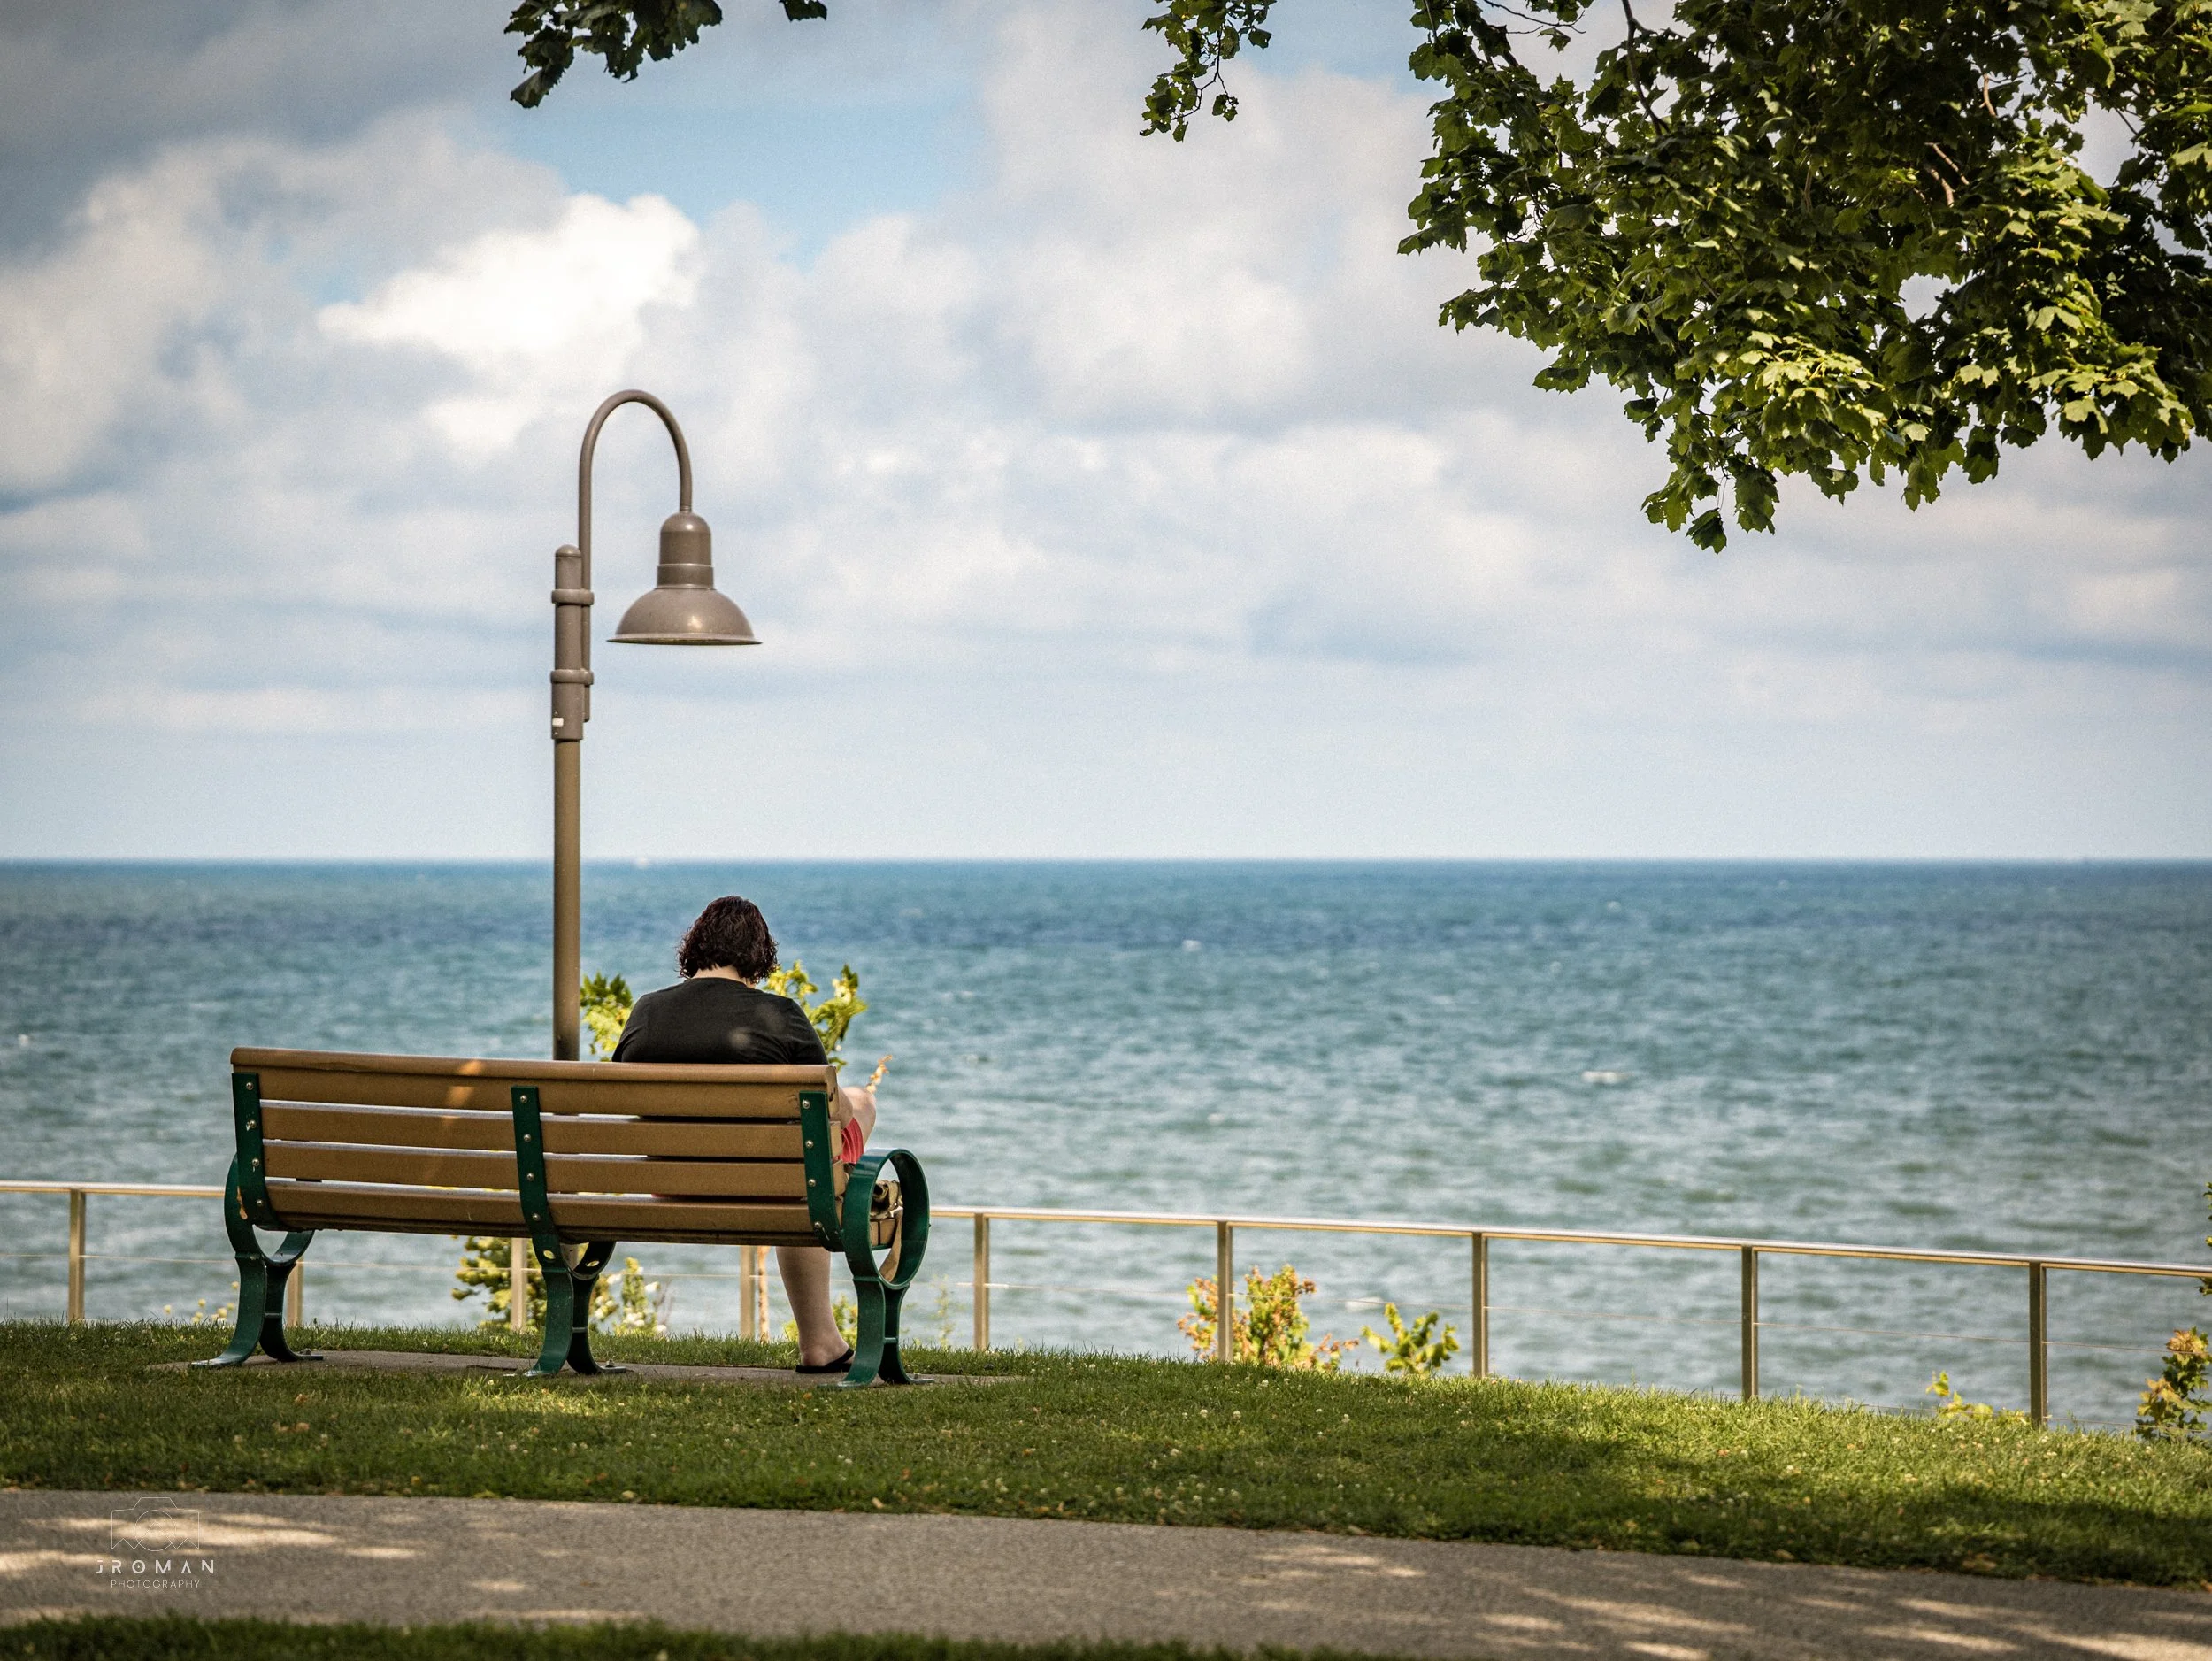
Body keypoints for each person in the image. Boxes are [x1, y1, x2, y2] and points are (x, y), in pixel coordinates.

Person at [612, 895, 875, 1373]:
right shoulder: (780, 1015)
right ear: (758, 955)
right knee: (845, 1124)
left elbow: (619, 1096)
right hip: (768, 1186)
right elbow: (827, 1108)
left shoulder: (647, 1011)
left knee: (806, 1169)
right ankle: (820, 1343)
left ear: (695, 947)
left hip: (672, 1185)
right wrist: (859, 1104)